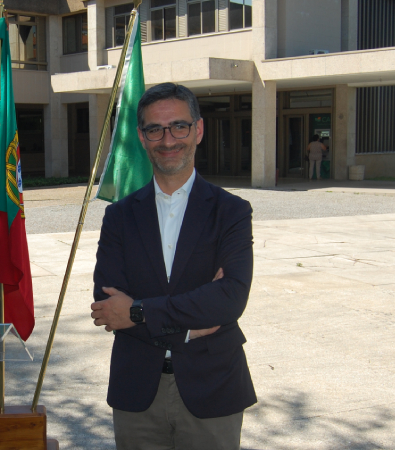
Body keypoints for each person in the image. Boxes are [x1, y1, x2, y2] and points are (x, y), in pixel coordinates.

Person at [90, 83, 256, 450]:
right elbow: (107, 308)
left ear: (198, 129)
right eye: (155, 129)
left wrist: (136, 311)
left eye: (179, 126)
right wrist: (190, 329)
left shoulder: (231, 211)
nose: (168, 140)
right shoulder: (118, 217)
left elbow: (230, 299)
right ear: (141, 137)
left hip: (213, 388)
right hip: (137, 391)